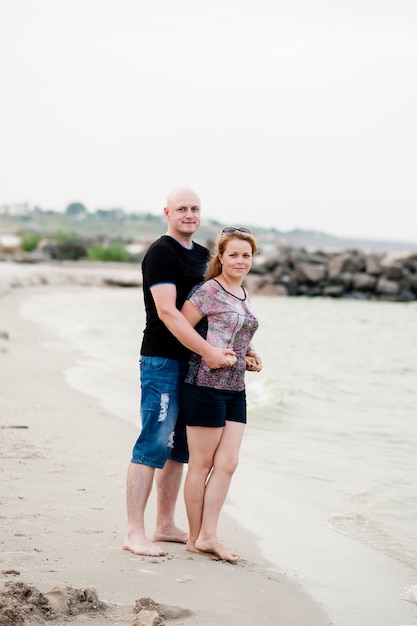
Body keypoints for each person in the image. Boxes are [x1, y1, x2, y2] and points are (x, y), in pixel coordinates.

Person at [123, 187, 236, 557]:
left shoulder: (203, 255)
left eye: (195, 208)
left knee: (178, 448)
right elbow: (168, 312)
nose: (189, 214)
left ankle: (165, 524)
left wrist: (241, 350)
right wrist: (208, 352)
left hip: (194, 365)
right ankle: (134, 532)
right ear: (167, 213)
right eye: (182, 208)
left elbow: (219, 307)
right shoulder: (161, 253)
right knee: (154, 441)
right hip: (162, 360)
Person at [181, 227, 262, 563]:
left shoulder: (241, 293)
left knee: (228, 463)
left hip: (235, 389)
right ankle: (199, 537)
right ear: (221, 258)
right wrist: (210, 353)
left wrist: (250, 354)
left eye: (246, 255)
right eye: (234, 255)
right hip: (204, 386)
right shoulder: (208, 291)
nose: (240, 260)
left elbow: (235, 332)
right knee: (201, 465)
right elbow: (183, 328)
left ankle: (206, 535)